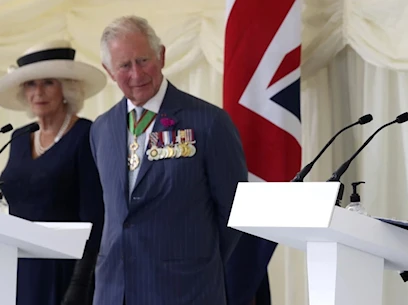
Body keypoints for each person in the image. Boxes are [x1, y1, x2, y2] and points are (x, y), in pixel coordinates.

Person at [90, 15, 247, 305]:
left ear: (161, 55)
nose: (136, 74)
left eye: (143, 60)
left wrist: (193, 261)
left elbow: (234, 211)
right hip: (115, 291)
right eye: (124, 65)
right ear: (109, 71)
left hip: (185, 290)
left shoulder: (209, 122)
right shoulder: (101, 129)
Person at [0, 40, 107, 305]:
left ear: (67, 89)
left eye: (48, 82)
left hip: (65, 269)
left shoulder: (86, 135)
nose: (38, 92)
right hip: (17, 265)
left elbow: (95, 215)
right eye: (30, 84)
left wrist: (80, 282)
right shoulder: (19, 137)